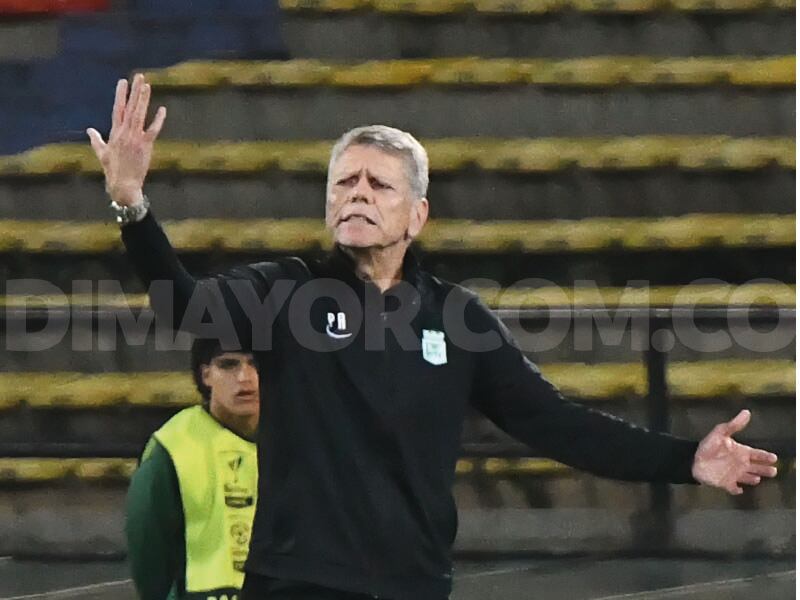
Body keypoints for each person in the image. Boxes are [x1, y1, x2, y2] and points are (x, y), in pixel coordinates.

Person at [88, 74, 779, 600]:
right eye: (344, 182)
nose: (355, 193)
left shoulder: (458, 318)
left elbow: (556, 423)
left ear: (417, 214)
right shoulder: (283, 289)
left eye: (377, 184)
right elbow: (186, 309)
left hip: (413, 584)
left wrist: (686, 458)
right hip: (296, 582)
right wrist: (133, 206)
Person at [126, 337, 260, 600]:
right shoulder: (174, 447)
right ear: (206, 374)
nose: (245, 377)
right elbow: (149, 556)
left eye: (257, 365)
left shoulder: (302, 439)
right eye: (229, 365)